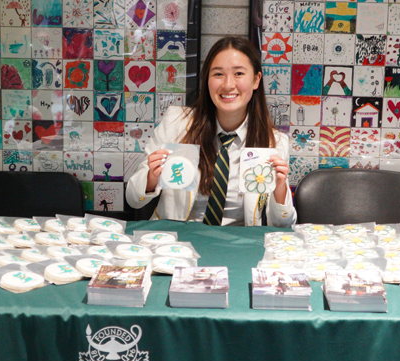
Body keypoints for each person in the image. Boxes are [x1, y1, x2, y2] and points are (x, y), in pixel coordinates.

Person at [126, 36, 296, 226]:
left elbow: (284, 225)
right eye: (218, 74)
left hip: (239, 245)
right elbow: (133, 199)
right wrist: (151, 178)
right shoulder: (176, 123)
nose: (228, 84)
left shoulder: (275, 142)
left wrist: (280, 189)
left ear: (256, 80)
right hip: (178, 241)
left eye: (239, 73)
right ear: (207, 79)